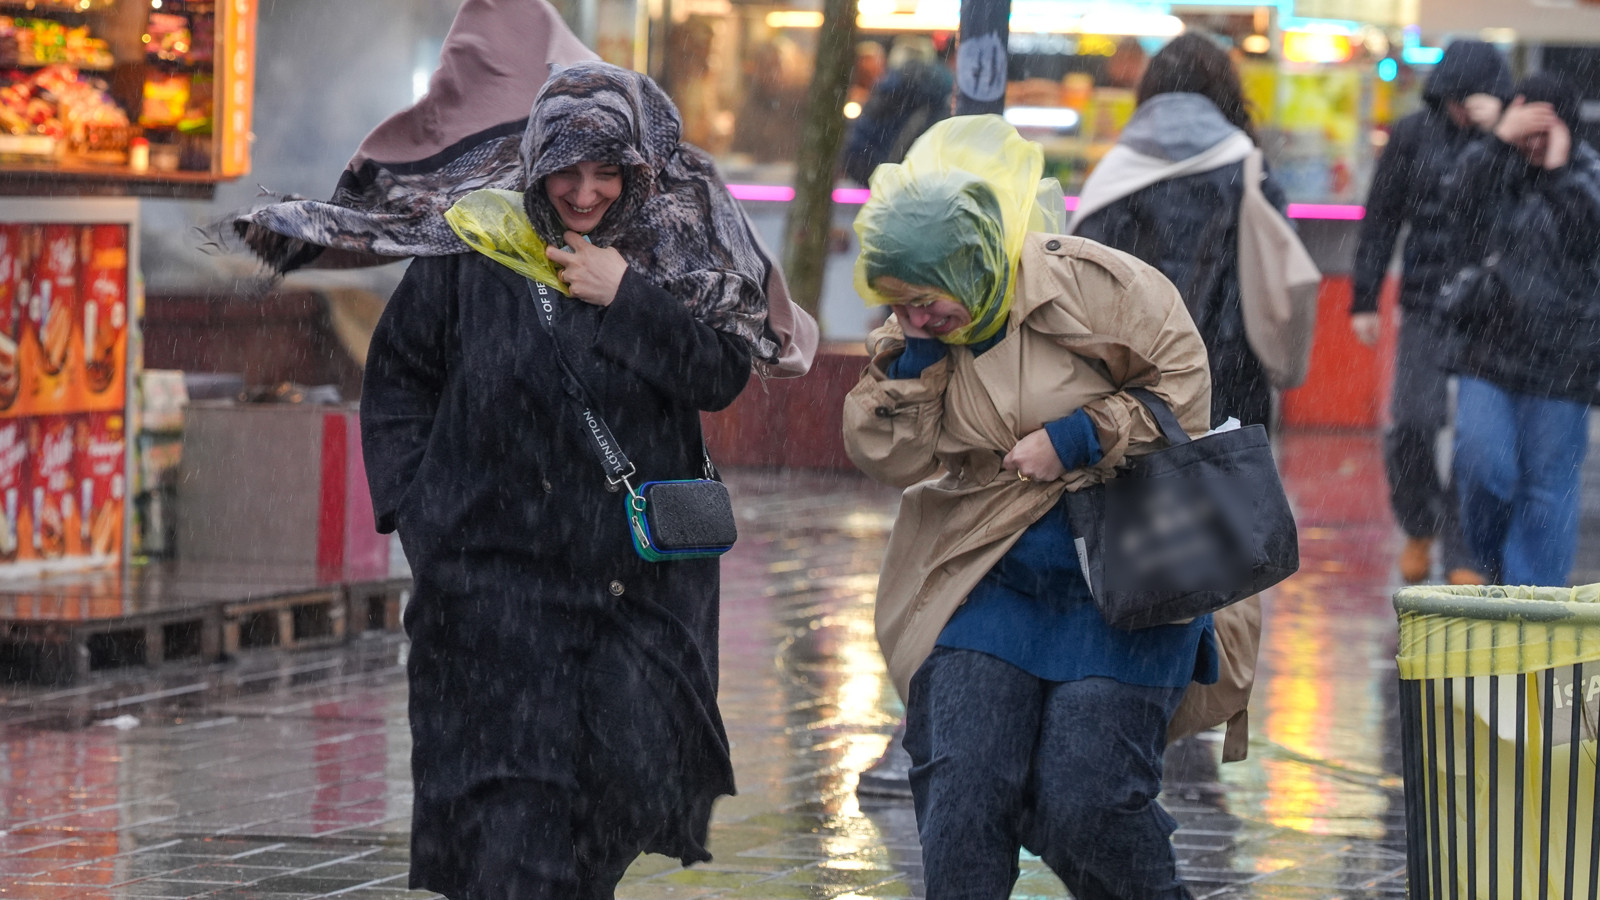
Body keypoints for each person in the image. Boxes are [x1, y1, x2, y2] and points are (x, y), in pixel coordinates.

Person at [361, 61, 789, 899]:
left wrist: (626, 296)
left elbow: (719, 375)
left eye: (607, 172)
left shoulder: (677, 245)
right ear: (535, 164)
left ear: (637, 168)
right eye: (566, 171)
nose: (585, 193)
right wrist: (419, 513)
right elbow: (400, 377)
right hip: (491, 589)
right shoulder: (476, 243)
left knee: (609, 810)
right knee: (509, 829)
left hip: (629, 594)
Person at [844, 115, 1250, 900]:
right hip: (990, 575)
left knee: (1086, 799)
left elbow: (1185, 393)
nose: (913, 316)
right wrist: (917, 363)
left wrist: (1079, 438)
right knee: (963, 789)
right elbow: (889, 456)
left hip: (1131, 577)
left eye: (926, 301)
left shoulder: (1101, 287)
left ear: (974, 264)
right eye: (898, 303)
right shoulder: (920, 334)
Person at [1349, 40, 1512, 585]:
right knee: (1413, 423)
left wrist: (1499, 132)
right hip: (1425, 299)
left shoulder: (1509, 138)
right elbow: (1381, 217)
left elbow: (1527, 203)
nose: (1463, 110)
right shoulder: (1412, 135)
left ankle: (1463, 553)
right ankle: (1421, 524)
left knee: (1476, 440)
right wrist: (1365, 297)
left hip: (1493, 308)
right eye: (1456, 99)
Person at [1070, 32, 1289, 430]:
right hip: (1231, 380)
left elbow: (1082, 290)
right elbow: (1279, 272)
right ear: (1226, 93)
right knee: (1228, 470)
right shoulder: (1249, 169)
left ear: (1148, 90)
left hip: (1129, 393)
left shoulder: (1112, 175)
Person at [1444, 74, 1600, 587]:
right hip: (1489, 350)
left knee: (1548, 490)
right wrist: (1497, 141)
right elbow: (1455, 202)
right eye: (1527, 129)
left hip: (1565, 361)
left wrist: (1558, 173)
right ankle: (1490, 566)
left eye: (1544, 131)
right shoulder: (1492, 166)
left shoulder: (1588, 177)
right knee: (1482, 466)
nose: (1533, 142)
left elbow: (1586, 239)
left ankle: (1531, 602)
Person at [841, 36, 954, 186]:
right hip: (921, 179)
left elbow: (861, 139)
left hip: (883, 174)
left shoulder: (891, 85)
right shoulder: (944, 91)